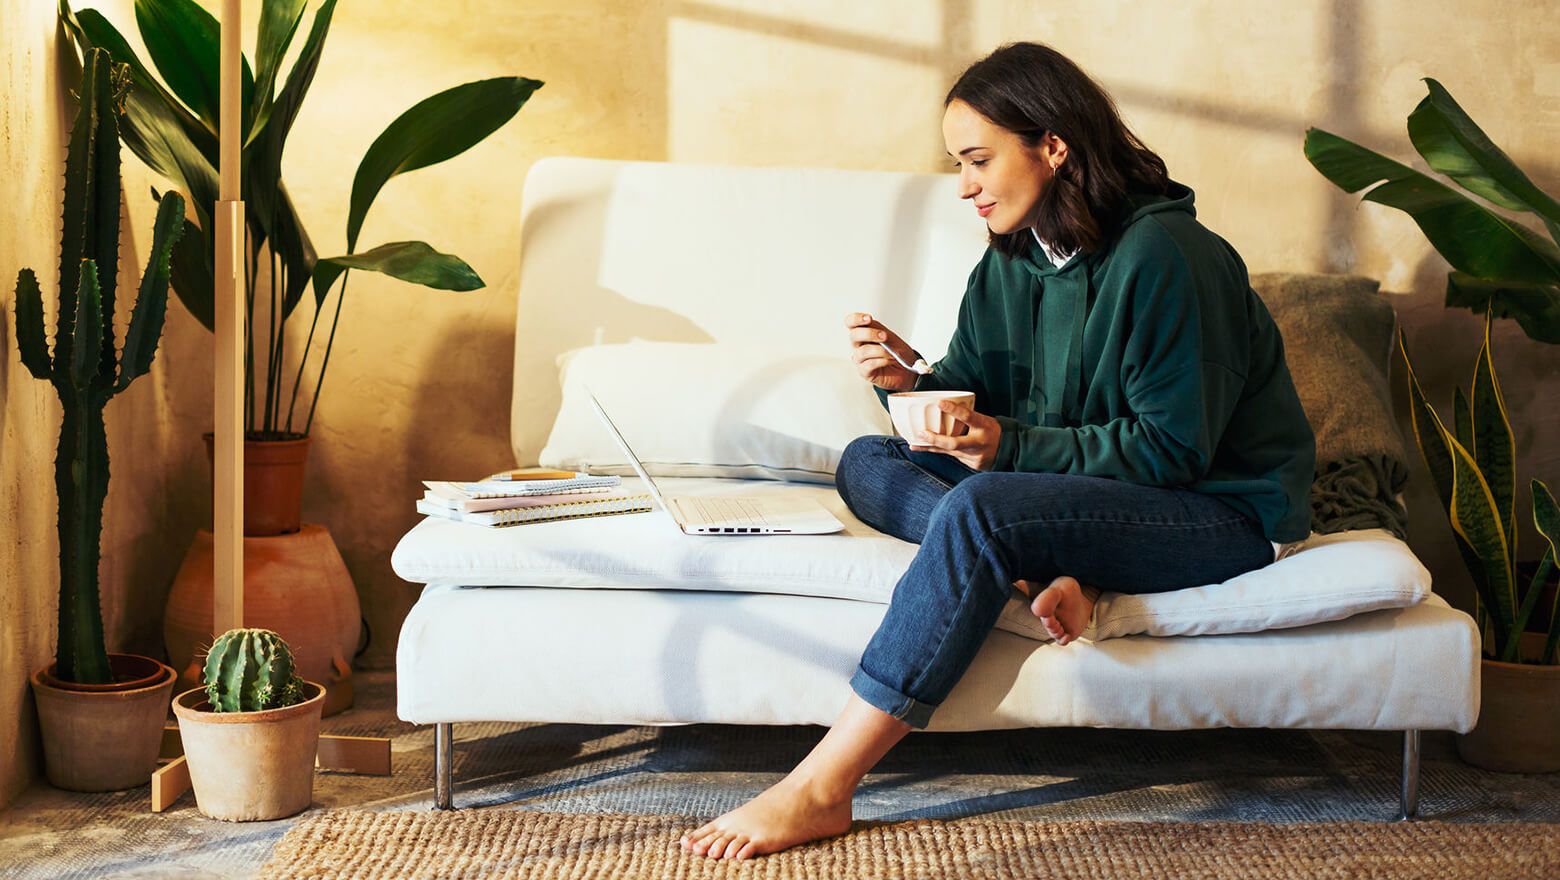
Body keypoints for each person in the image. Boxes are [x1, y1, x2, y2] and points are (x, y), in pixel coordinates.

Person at [679, 41, 1315, 861]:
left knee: (981, 508)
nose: (965, 186)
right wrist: (908, 383)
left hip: (1218, 510)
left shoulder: (1170, 259)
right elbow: (972, 399)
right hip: (1088, 496)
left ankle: (822, 787)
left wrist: (1006, 447)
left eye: (978, 160)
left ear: (1053, 145)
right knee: (867, 461)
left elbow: (1173, 451)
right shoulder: (1012, 258)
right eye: (959, 163)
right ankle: (1037, 569)